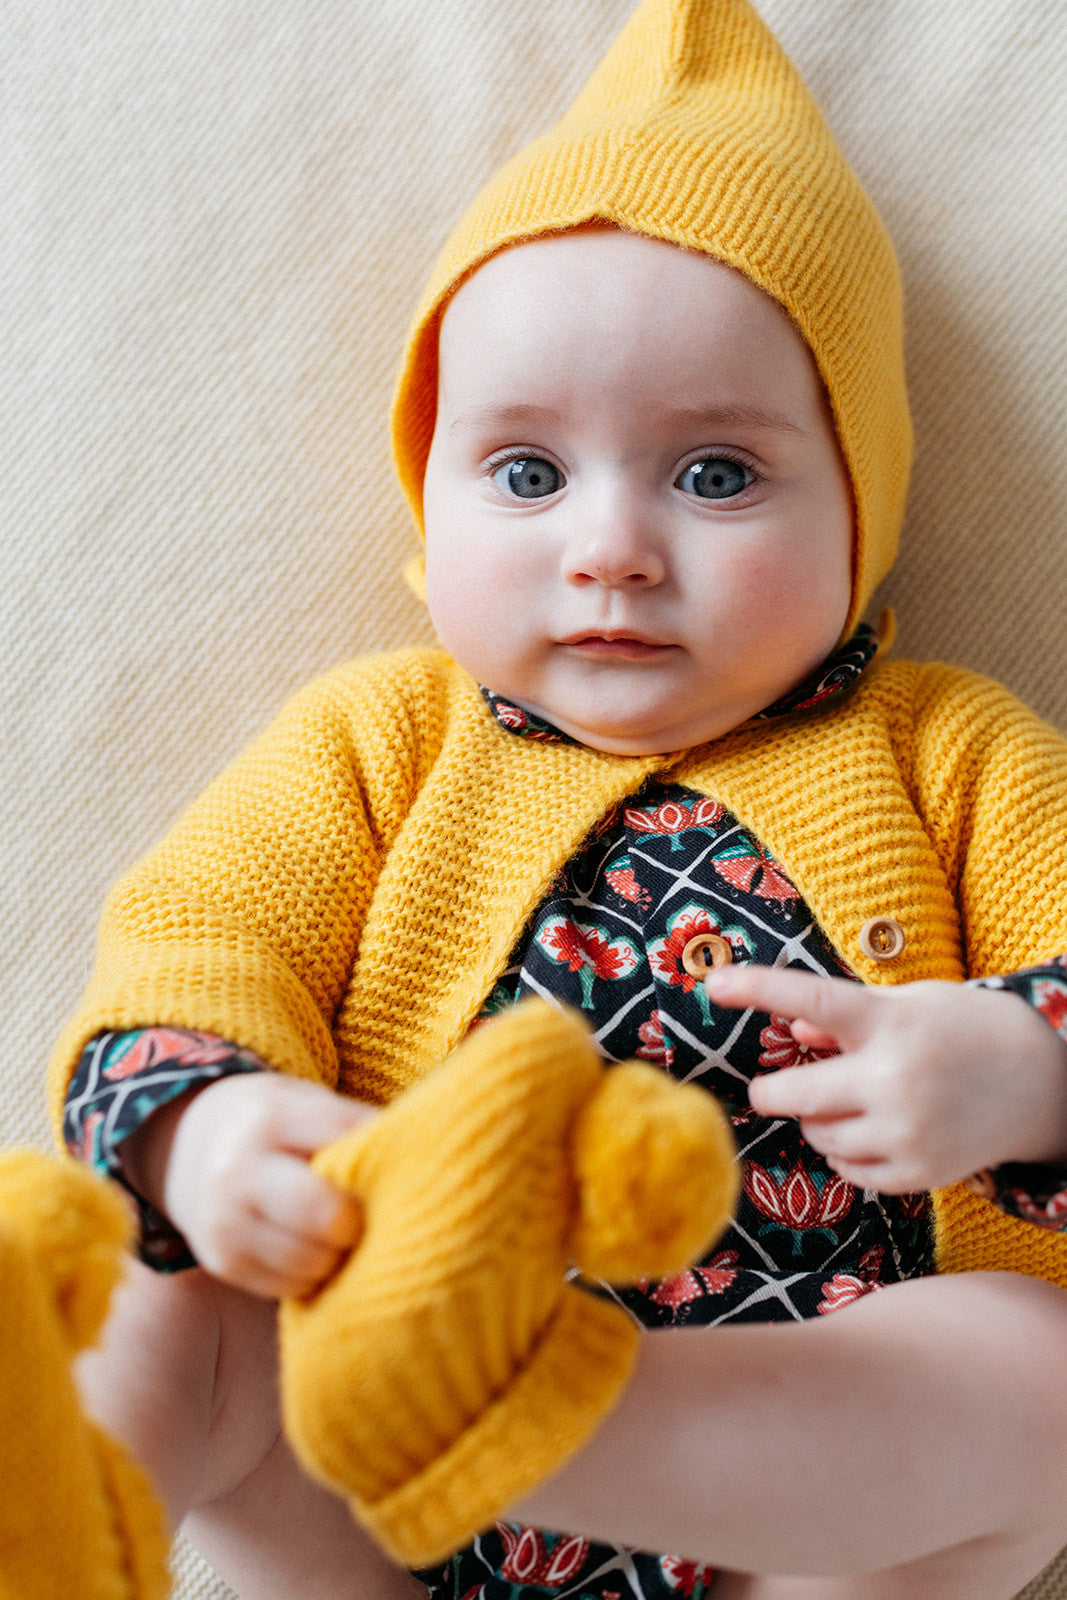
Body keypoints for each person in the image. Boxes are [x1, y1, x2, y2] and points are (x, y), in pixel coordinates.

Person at [38, 0, 1067, 1596]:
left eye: (715, 474)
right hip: (372, 1507)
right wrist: (211, 1130)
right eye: (526, 473)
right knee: (164, 1290)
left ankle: (543, 1411)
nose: (612, 549)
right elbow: (196, 938)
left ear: (864, 504)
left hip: (790, 1531)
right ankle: (60, 1512)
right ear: (429, 494)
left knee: (1039, 1372)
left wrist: (1022, 1075)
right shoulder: (381, 741)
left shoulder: (960, 757)